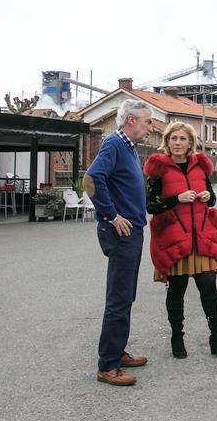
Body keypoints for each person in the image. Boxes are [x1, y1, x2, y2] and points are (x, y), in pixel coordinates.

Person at [143, 121, 217, 360]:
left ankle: (216, 338)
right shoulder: (158, 169)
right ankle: (177, 337)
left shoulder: (201, 166)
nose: (178, 143)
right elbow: (151, 205)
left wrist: (207, 195)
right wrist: (177, 199)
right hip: (174, 240)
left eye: (182, 139)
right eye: (174, 139)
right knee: (177, 291)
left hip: (202, 238)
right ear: (167, 142)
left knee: (209, 289)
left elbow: (212, 200)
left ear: (190, 142)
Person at [84, 100, 154, 386]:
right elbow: (91, 180)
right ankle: (107, 366)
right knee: (118, 298)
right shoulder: (114, 143)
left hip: (134, 231)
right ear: (131, 121)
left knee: (127, 296)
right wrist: (111, 215)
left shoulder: (128, 147)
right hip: (122, 233)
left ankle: (118, 351)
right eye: (148, 122)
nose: (151, 127)